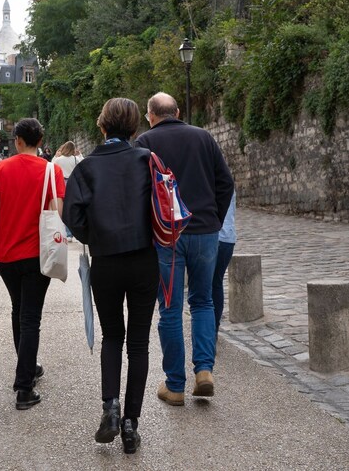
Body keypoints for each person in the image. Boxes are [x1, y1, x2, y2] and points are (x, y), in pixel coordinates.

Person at [63, 98, 159, 454]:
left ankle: (110, 406)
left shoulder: (86, 168)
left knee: (112, 338)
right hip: (144, 259)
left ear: (102, 127)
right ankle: (132, 423)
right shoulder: (146, 160)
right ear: (135, 129)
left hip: (106, 261)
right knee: (139, 343)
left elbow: (71, 215)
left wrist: (93, 234)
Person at [135, 92, 234, 406]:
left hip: (167, 236)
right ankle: (204, 370)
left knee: (170, 308)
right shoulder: (203, 137)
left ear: (149, 115)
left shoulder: (144, 142)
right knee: (203, 301)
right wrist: (215, 218)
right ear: (177, 111)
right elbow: (226, 182)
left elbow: (139, 191)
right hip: (206, 230)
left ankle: (175, 385)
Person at [0, 118, 65, 410]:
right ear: (40, 141)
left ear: (17, 140)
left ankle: (27, 368)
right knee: (31, 318)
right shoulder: (52, 171)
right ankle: (24, 387)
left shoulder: (2, 168)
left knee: (19, 310)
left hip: (6, 256)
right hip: (38, 255)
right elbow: (57, 213)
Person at [212, 191, 237, 337]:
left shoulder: (204, 177)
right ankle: (213, 328)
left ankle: (207, 330)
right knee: (216, 283)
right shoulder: (227, 181)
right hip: (227, 238)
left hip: (210, 236)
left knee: (203, 288)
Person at [53, 142, 84, 240]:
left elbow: (51, 166)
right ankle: (72, 232)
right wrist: (80, 154)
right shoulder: (75, 159)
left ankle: (66, 232)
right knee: (72, 207)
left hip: (61, 182)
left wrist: (55, 156)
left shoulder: (58, 160)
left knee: (63, 208)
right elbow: (83, 165)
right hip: (73, 183)